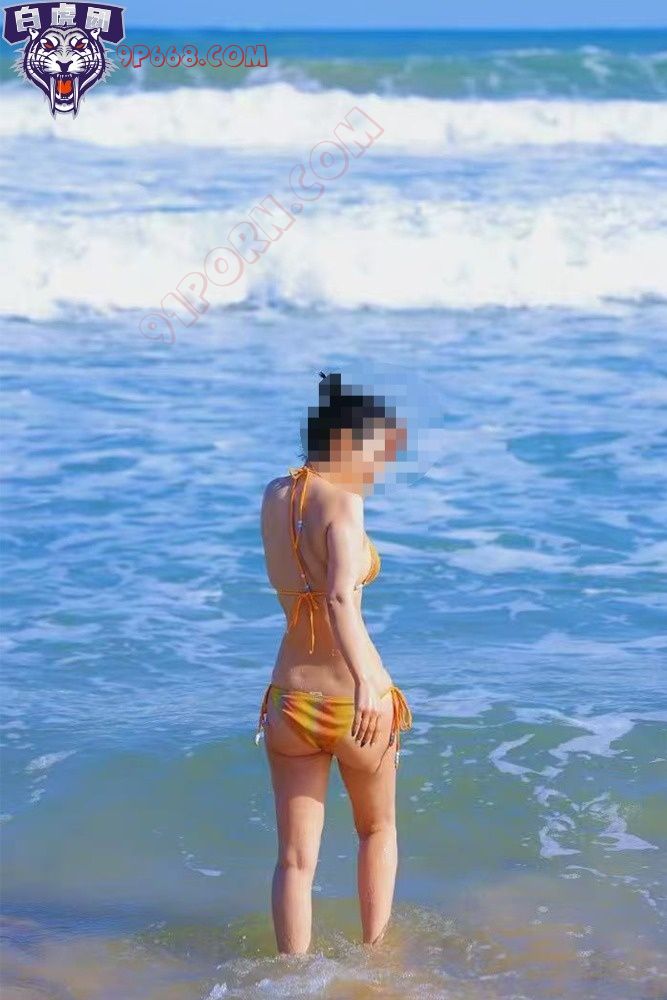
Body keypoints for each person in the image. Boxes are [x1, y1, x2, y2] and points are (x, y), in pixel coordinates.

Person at [256, 372, 413, 954]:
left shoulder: (275, 495)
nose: (378, 466)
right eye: (373, 451)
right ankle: (376, 963)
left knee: (294, 862)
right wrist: (371, 681)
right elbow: (340, 597)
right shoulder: (344, 501)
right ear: (345, 443)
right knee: (377, 830)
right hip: (352, 700)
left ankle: (290, 980)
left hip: (288, 700)